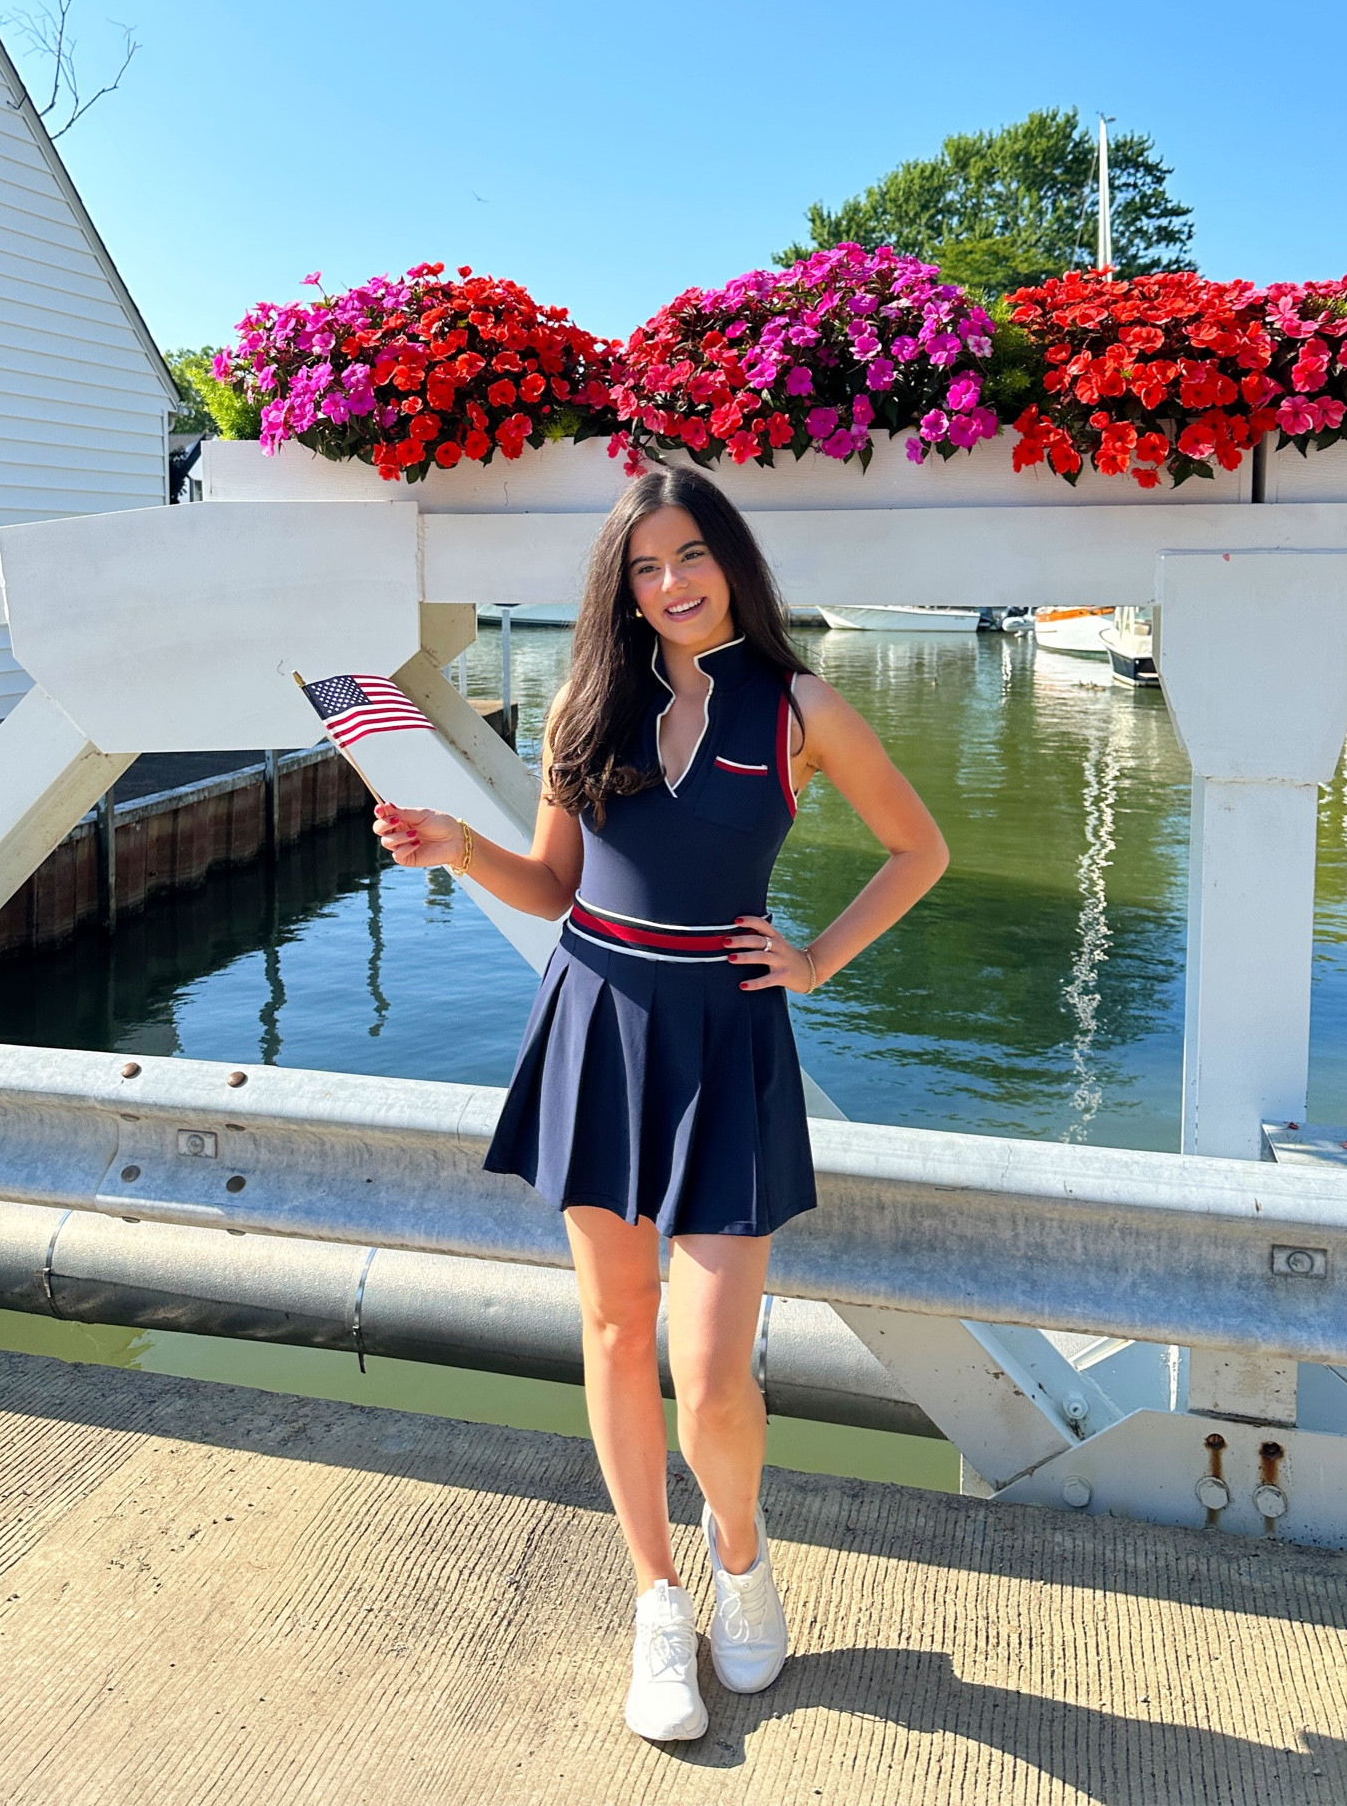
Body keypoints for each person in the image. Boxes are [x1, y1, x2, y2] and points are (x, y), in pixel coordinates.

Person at [374, 464, 947, 1743]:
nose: (673, 582)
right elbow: (551, 882)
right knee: (619, 1335)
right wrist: (458, 849)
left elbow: (923, 848)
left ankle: (741, 1556)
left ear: (730, 560)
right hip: (600, 1021)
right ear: (619, 585)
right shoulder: (588, 697)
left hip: (729, 1033)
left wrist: (815, 958)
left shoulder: (796, 703)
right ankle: (654, 1596)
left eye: (692, 555)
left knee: (714, 1366)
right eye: (645, 565)